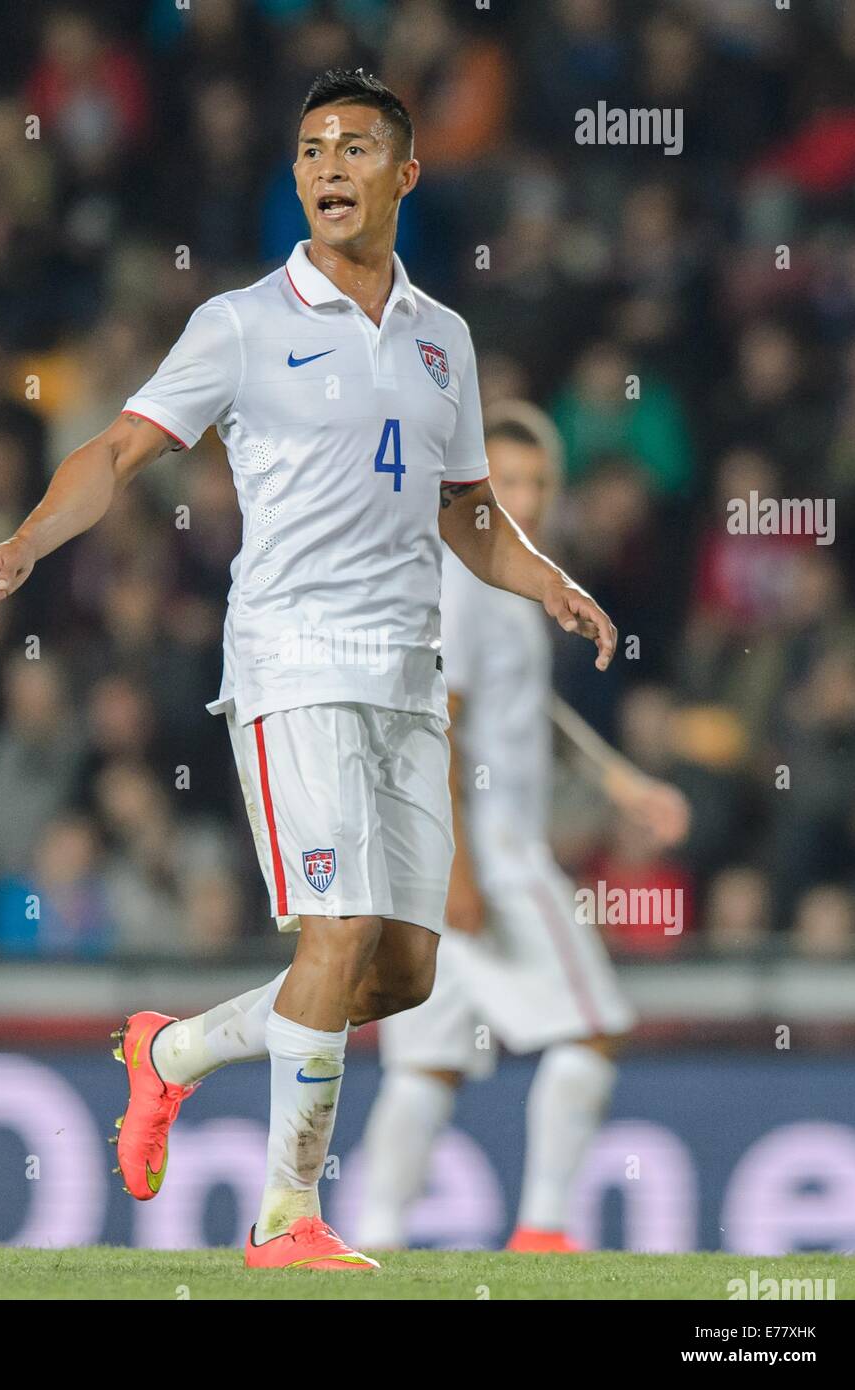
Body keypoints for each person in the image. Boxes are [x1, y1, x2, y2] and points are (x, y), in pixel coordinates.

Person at [0, 70, 617, 1272]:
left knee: (402, 973)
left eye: (355, 147)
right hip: (292, 663)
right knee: (340, 928)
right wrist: (26, 539)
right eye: (311, 146)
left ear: (404, 174)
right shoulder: (241, 323)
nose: (327, 167)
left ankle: (166, 1054)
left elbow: (468, 512)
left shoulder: (443, 342)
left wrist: (548, 580)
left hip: (406, 676)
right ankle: (284, 1219)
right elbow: (117, 448)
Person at [356, 405, 689, 1252]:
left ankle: (373, 1237)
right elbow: (441, 721)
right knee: (592, 1027)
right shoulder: (465, 585)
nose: (528, 499)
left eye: (540, 482)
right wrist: (461, 868)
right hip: (487, 850)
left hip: (423, 857)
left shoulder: (502, 578)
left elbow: (523, 707)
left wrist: (617, 781)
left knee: (426, 1063)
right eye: (507, 483)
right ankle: (543, 1228)